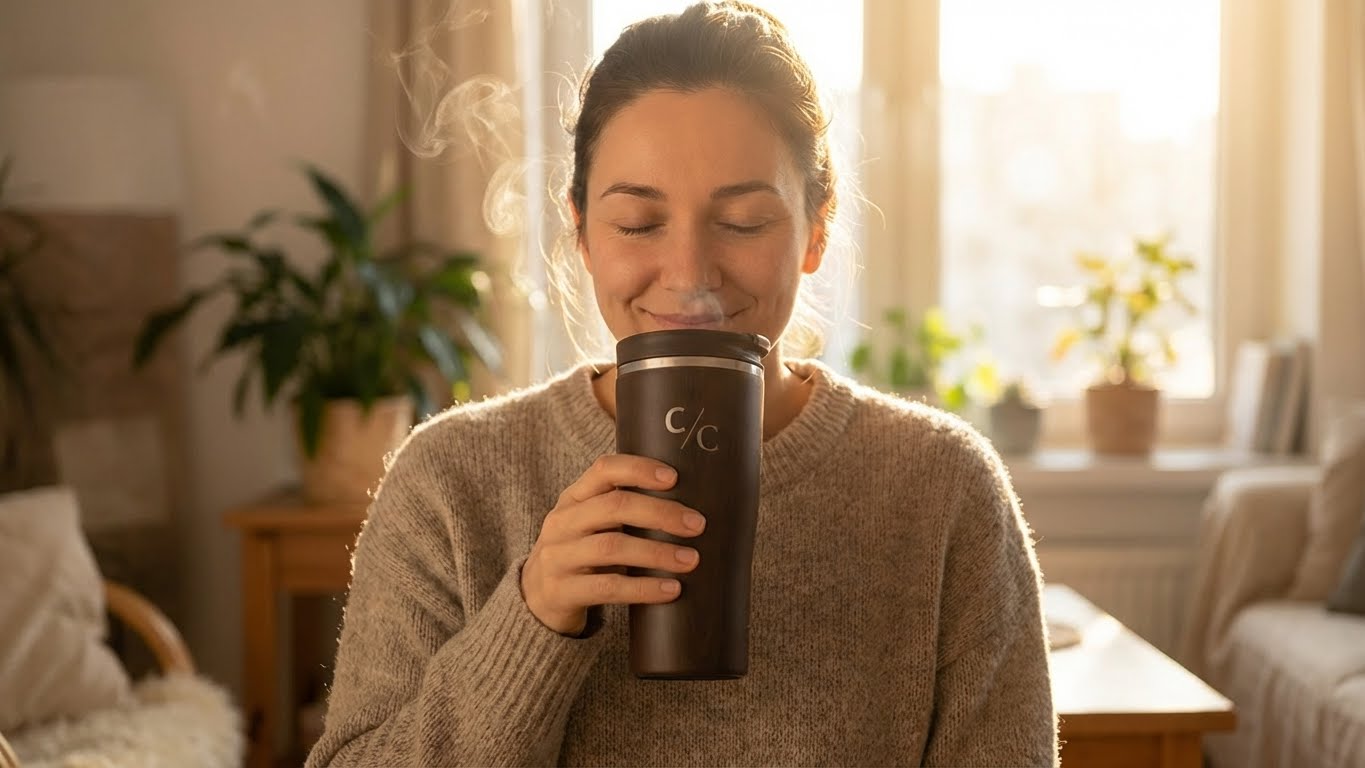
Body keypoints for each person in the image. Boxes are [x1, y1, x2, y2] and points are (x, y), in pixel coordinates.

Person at [306, 2, 1057, 765]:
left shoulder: (939, 486)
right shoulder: (450, 479)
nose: (689, 274)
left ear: (816, 230)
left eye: (743, 222)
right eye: (638, 223)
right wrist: (531, 616)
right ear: (581, 233)